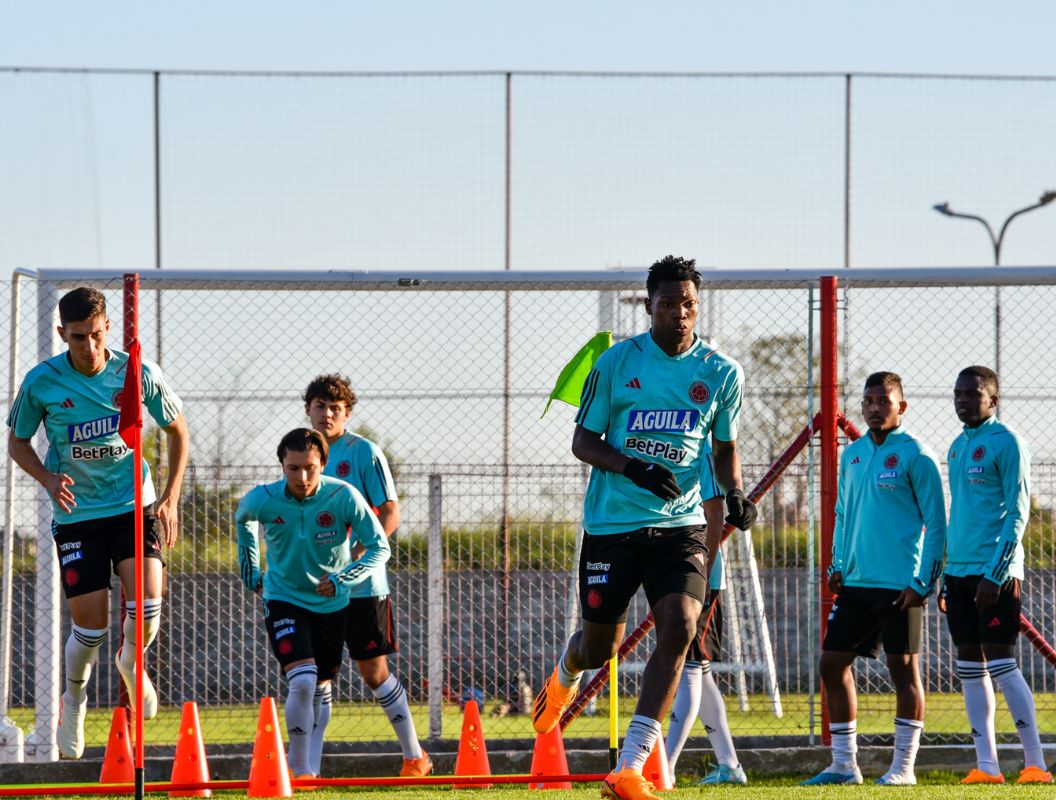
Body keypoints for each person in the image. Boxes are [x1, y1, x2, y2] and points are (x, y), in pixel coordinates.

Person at [532, 255, 757, 800]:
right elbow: (582, 442)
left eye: (689, 305)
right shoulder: (616, 363)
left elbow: (725, 451)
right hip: (612, 526)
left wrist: (734, 493)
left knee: (680, 625)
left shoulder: (722, 373)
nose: (680, 314)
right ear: (649, 304)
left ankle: (631, 766)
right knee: (599, 647)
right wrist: (634, 466)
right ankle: (565, 671)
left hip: (680, 526)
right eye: (668, 304)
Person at [6, 287, 189, 760]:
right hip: (79, 514)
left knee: (148, 599)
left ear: (108, 328)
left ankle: (133, 665)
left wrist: (168, 498)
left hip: (133, 503)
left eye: (96, 335)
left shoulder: (136, 371)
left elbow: (177, 430)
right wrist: (47, 478)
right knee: (91, 627)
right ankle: (75, 699)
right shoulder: (41, 382)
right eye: (78, 337)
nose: (88, 347)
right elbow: (18, 442)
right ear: (62, 334)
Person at [802, 372, 946, 786]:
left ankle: (903, 769)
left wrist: (922, 584)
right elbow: (843, 515)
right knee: (832, 665)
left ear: (902, 407)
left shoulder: (917, 455)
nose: (875, 408)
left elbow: (936, 525)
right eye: (868, 401)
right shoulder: (854, 455)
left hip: (901, 588)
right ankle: (844, 766)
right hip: (856, 585)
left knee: (903, 671)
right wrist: (836, 565)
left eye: (884, 401)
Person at [236, 428, 390, 779]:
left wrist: (342, 578)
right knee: (302, 681)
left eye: (309, 467)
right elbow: (243, 517)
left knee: (320, 686)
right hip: (283, 599)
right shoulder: (264, 498)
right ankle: (298, 770)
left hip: (332, 605)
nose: (302, 477)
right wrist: (249, 564)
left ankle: (310, 767)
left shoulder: (344, 496)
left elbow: (381, 547)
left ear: (323, 464)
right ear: (282, 465)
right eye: (293, 468)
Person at [303, 374, 431, 777]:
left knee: (373, 673)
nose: (326, 414)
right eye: (320, 406)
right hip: (317, 589)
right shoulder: (302, 454)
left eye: (335, 408)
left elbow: (390, 511)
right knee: (317, 676)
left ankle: (415, 757)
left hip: (362, 585)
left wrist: (359, 552)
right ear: (308, 409)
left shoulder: (364, 453)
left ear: (347, 413)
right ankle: (310, 769)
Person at [944, 366, 1052, 785]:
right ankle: (986, 767)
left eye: (972, 393)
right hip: (958, 572)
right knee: (970, 666)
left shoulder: (1007, 443)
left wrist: (997, 570)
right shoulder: (956, 447)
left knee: (1004, 664)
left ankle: (1036, 765)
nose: (963, 400)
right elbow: (960, 515)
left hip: (995, 573)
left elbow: (1018, 513)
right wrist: (945, 576)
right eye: (958, 394)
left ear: (993, 398)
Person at [665, 482, 747, 785]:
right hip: (681, 577)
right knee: (701, 671)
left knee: (689, 668)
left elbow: (715, 514)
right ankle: (730, 765)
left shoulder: (704, 462)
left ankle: (665, 766)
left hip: (701, 581)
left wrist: (704, 574)